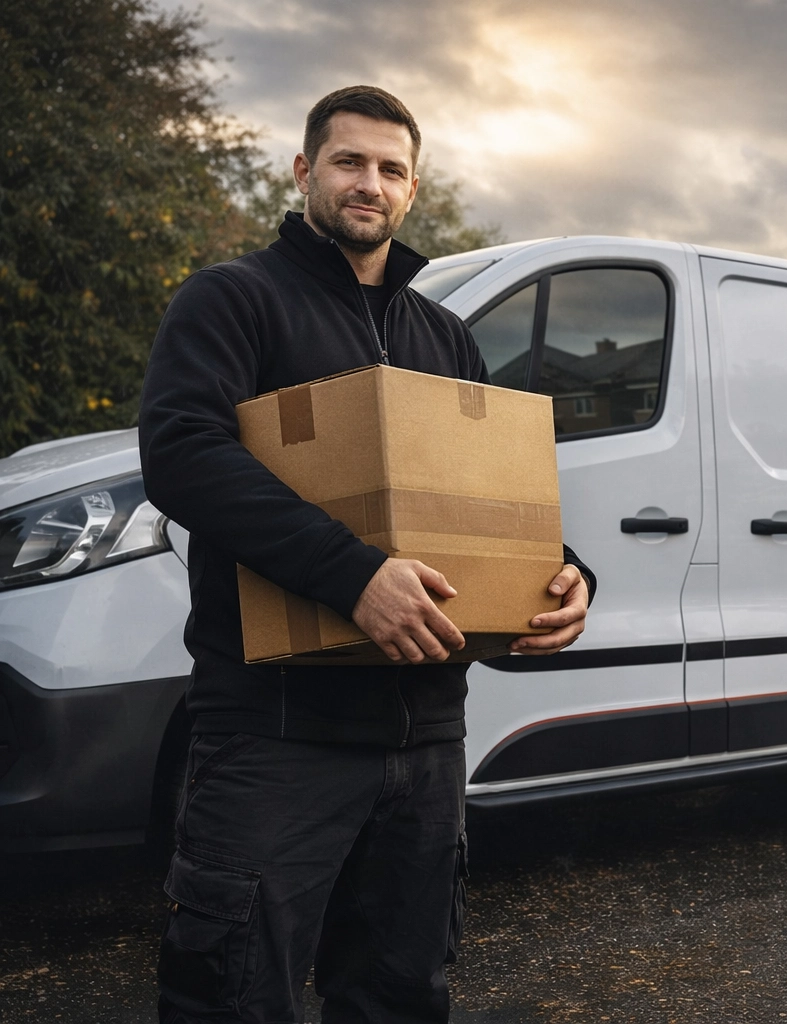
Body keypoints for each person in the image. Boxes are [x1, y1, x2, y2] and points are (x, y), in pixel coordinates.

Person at [138, 85, 594, 1023]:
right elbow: (183, 455)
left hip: (423, 742)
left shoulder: (443, 338)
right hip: (274, 735)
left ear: (413, 190)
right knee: (233, 996)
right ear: (305, 172)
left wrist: (570, 573)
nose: (368, 183)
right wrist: (355, 577)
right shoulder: (235, 300)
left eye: (390, 169)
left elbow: (486, 501)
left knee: (398, 995)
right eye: (349, 161)